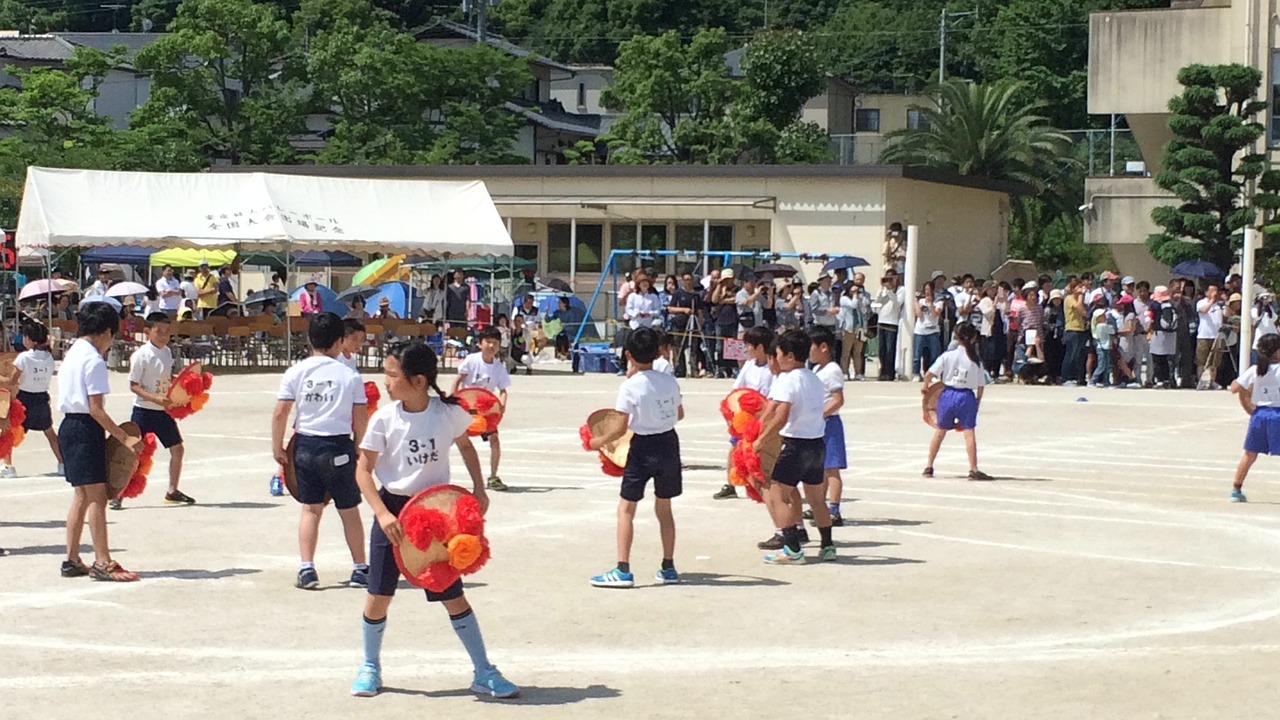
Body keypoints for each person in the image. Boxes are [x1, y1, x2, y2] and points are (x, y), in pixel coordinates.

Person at [349, 342, 519, 699]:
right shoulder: (384, 419)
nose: (386, 381)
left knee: (451, 594)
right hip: (393, 512)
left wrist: (478, 489)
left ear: (418, 379)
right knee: (378, 595)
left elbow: (467, 447)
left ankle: (483, 670)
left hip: (436, 513)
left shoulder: (447, 413)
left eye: (392, 375)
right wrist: (381, 512)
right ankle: (370, 666)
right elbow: (363, 470)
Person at [272, 312, 369, 590]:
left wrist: (277, 447)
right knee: (349, 510)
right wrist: (361, 449)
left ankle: (307, 568)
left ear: (308, 339)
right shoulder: (349, 375)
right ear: (340, 341)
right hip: (338, 445)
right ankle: (360, 568)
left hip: (304, 445)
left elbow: (280, 413)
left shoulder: (296, 372)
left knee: (310, 510)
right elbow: (360, 416)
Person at [587, 327, 684, 587]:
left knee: (626, 508)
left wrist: (598, 441)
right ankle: (668, 566)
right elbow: (680, 414)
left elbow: (620, 426)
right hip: (669, 443)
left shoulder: (630, 386)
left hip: (642, 446)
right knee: (664, 509)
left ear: (628, 354)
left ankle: (623, 569)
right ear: (658, 351)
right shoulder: (669, 380)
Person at [57, 302, 141, 581]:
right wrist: (124, 437)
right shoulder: (93, 359)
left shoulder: (73, 352)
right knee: (97, 497)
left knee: (81, 495)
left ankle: (71, 559)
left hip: (69, 426)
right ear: (106, 331)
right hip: (85, 428)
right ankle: (103, 561)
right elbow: (96, 409)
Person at [756, 329, 836, 564]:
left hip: (795, 445)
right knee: (817, 499)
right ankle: (828, 545)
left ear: (789, 356)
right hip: (816, 444)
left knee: (780, 494)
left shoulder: (787, 379)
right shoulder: (813, 377)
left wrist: (761, 439)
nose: (776, 358)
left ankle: (792, 549)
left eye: (779, 353)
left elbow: (781, 415)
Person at [114, 312, 194, 510]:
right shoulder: (141, 355)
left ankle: (172, 490)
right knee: (134, 454)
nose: (164, 335)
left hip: (163, 411)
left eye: (167, 331)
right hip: (144, 410)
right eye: (159, 331)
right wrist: (155, 398)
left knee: (177, 448)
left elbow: (166, 377)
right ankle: (118, 494)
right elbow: (134, 385)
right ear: (148, 331)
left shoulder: (167, 352)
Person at [922, 322, 992, 481]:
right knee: (969, 433)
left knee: (940, 432)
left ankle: (929, 466)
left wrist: (925, 388)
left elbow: (929, 374)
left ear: (956, 336)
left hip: (947, 395)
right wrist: (977, 402)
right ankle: (973, 469)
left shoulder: (948, 355)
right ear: (974, 337)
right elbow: (981, 385)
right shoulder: (976, 360)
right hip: (966, 396)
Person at [716, 326, 776, 502]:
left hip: (763, 416)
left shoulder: (772, 368)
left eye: (749, 345)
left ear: (760, 347)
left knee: (762, 451)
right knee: (735, 447)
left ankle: (764, 486)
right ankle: (730, 484)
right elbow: (737, 389)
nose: (746, 348)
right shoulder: (749, 365)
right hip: (744, 417)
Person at [453, 326, 512, 491]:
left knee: (494, 440)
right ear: (480, 344)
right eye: (488, 342)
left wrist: (501, 405)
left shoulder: (499, 367)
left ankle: (493, 477)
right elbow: (458, 380)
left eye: (495, 343)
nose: (491, 346)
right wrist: (454, 400)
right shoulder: (472, 360)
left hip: (485, 413)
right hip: (466, 409)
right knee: (448, 440)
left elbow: (503, 390)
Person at [4, 323, 62, 476]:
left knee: (9, 431)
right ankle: (63, 464)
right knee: (49, 433)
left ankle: (8, 467)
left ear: (29, 339)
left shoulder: (24, 357)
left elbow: (11, 381)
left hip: (24, 399)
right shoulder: (49, 357)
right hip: (42, 398)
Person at [1229, 334, 1280, 502]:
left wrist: (1247, 397)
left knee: (1250, 454)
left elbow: (1234, 387)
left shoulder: (1256, 369)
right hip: (1277, 414)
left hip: (1259, 414)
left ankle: (1236, 489)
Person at [809, 326, 847, 526]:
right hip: (819, 423)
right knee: (820, 467)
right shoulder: (816, 369)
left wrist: (820, 415)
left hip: (829, 423)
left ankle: (834, 509)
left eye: (811, 346)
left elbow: (838, 400)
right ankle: (819, 505)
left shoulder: (832, 370)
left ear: (823, 347)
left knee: (832, 468)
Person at [875, 272, 904, 380]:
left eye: (891, 278)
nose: (889, 281)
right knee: (881, 350)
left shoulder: (901, 290)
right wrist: (881, 289)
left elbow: (897, 304)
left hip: (892, 322)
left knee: (889, 350)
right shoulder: (883, 290)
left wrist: (891, 291)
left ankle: (889, 373)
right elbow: (876, 305)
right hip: (881, 321)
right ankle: (883, 372)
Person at [839, 279, 869, 381]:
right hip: (848, 327)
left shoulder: (859, 298)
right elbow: (853, 305)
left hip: (859, 328)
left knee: (858, 352)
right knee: (846, 352)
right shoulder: (844, 299)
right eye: (853, 290)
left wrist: (861, 299)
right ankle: (844, 372)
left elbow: (864, 310)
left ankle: (858, 372)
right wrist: (855, 296)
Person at [913, 280, 944, 381]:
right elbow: (918, 315)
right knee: (917, 354)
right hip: (920, 330)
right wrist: (918, 303)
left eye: (929, 289)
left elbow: (935, 314)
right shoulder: (920, 301)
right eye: (925, 289)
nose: (927, 291)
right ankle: (916, 374)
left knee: (934, 354)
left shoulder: (939, 301)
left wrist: (930, 304)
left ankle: (933, 375)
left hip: (933, 331)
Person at [1197, 284, 1225, 389]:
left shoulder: (1220, 304)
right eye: (1212, 291)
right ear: (1206, 293)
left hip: (1217, 336)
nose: (1215, 293)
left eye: (1216, 291)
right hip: (1204, 335)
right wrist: (1212, 301)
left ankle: (1212, 381)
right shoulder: (1201, 302)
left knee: (1215, 362)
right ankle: (1201, 381)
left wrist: (1225, 304)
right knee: (1202, 361)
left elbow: (1227, 314)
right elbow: (1204, 311)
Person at [1063, 280, 1088, 386]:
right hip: (1072, 329)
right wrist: (1081, 295)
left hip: (1080, 328)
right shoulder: (1069, 299)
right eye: (1078, 287)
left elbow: (1083, 312)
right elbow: (1078, 307)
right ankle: (1065, 377)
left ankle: (1075, 376)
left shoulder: (1078, 299)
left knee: (1078, 355)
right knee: (1070, 354)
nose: (1080, 289)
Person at [1090, 308, 1116, 388]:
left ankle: (1106, 381)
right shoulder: (1101, 325)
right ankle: (1092, 381)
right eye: (1102, 315)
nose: (1105, 316)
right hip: (1102, 347)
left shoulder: (1101, 325)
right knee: (1101, 365)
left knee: (1107, 365)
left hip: (1106, 347)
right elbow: (1113, 331)